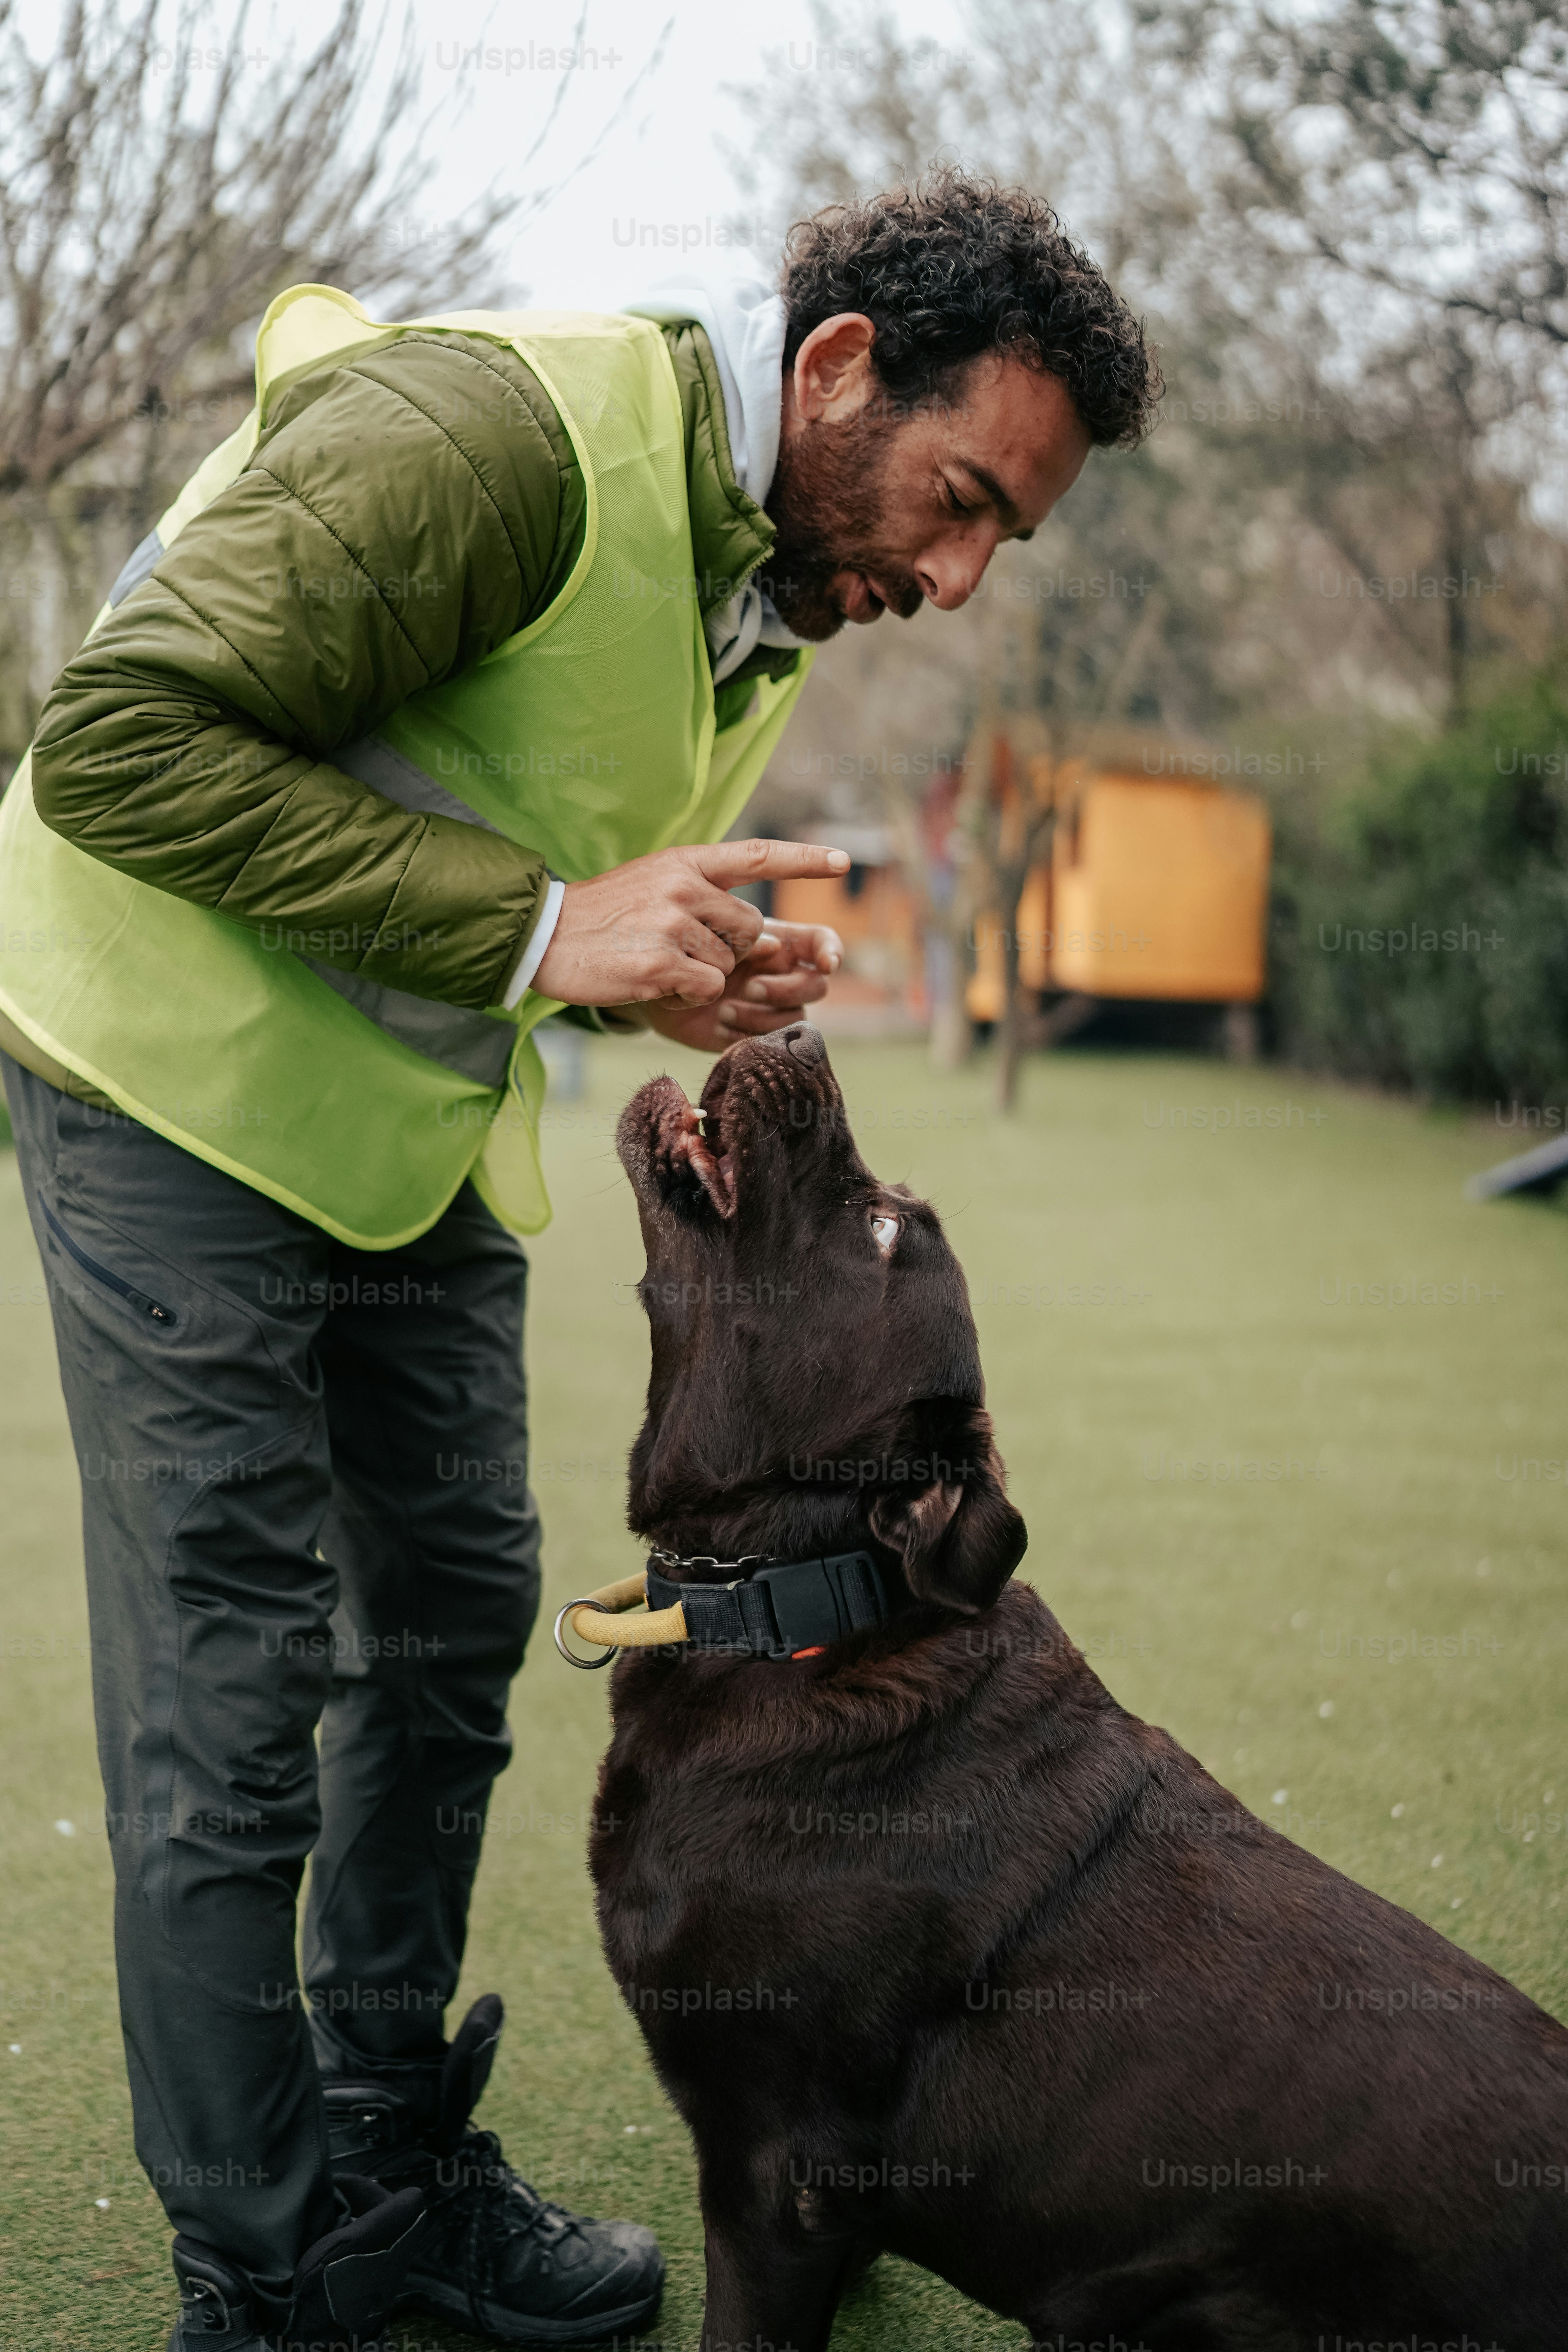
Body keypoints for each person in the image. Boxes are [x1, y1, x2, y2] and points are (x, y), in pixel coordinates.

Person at [0, 170, 1157, 2351]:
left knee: (448, 1629)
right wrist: (549, 930)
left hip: (385, 1123)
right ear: (831, 371)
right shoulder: (493, 440)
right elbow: (114, 748)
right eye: (958, 498)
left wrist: (647, 965)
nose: (958, 572)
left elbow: (518, 837)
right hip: (156, 1077)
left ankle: (387, 2156)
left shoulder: (775, 579)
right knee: (239, 1693)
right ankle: (266, 2274)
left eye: (1004, 537)